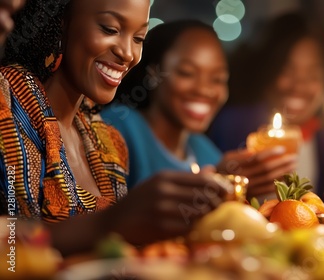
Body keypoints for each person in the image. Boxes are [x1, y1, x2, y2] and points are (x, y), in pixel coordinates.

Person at [0, 0, 230, 257]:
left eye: (139, 38)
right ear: (61, 21)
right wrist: (108, 223)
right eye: (110, 29)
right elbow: (8, 253)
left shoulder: (109, 142)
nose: (128, 53)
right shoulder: (7, 107)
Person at [101, 21, 297, 199]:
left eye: (218, 79)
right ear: (153, 73)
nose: (204, 90)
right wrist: (216, 187)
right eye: (187, 73)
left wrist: (237, 190)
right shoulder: (117, 127)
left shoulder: (204, 151)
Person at [208, 12, 324, 195]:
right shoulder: (231, 125)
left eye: (313, 75)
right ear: (268, 71)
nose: (299, 86)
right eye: (287, 71)